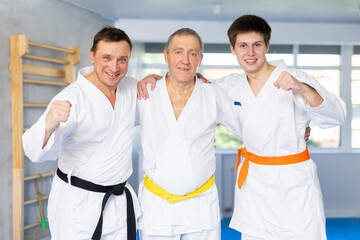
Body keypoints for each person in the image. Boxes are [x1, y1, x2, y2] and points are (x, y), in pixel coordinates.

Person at [137, 15, 346, 240]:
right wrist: (156, 78)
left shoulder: (295, 78)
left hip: (292, 184)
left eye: (257, 45)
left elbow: (337, 116)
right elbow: (191, 86)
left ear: (267, 45)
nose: (250, 52)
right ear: (233, 49)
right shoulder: (229, 86)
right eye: (243, 46)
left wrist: (301, 89)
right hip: (254, 186)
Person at [22, 26, 140, 240]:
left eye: (122, 59)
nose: (114, 67)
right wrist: (49, 123)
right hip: (77, 206)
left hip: (117, 204)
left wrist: (155, 78)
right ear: (92, 56)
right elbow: (33, 151)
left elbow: (162, 101)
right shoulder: (73, 98)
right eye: (107, 57)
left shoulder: (130, 89)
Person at [136, 28, 243, 240]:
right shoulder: (146, 92)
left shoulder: (213, 94)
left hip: (201, 204)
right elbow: (112, 125)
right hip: (159, 205)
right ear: (166, 55)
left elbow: (246, 127)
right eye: (178, 52)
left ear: (200, 59)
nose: (185, 60)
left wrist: (294, 130)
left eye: (193, 53)